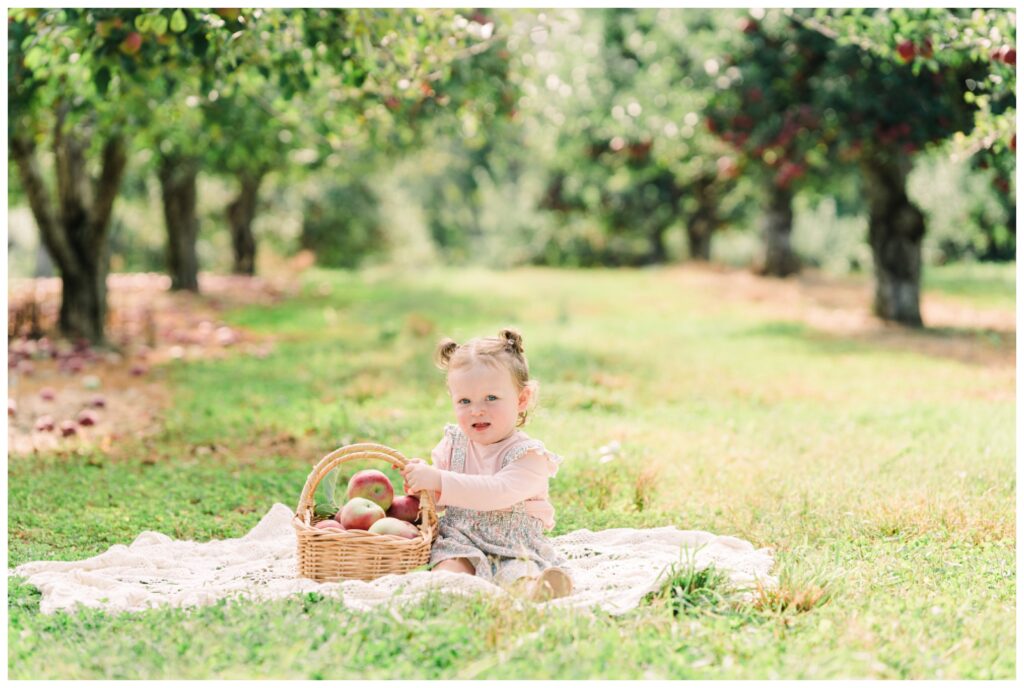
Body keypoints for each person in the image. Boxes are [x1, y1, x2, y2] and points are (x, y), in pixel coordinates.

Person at [401, 328, 573, 601]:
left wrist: (438, 480)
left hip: (513, 547)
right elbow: (441, 502)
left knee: (517, 575)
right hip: (461, 542)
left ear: (522, 399)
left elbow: (496, 491)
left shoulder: (528, 456)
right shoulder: (453, 443)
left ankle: (537, 590)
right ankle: (454, 596)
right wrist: (422, 489)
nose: (477, 410)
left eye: (491, 398)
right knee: (448, 573)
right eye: (464, 401)